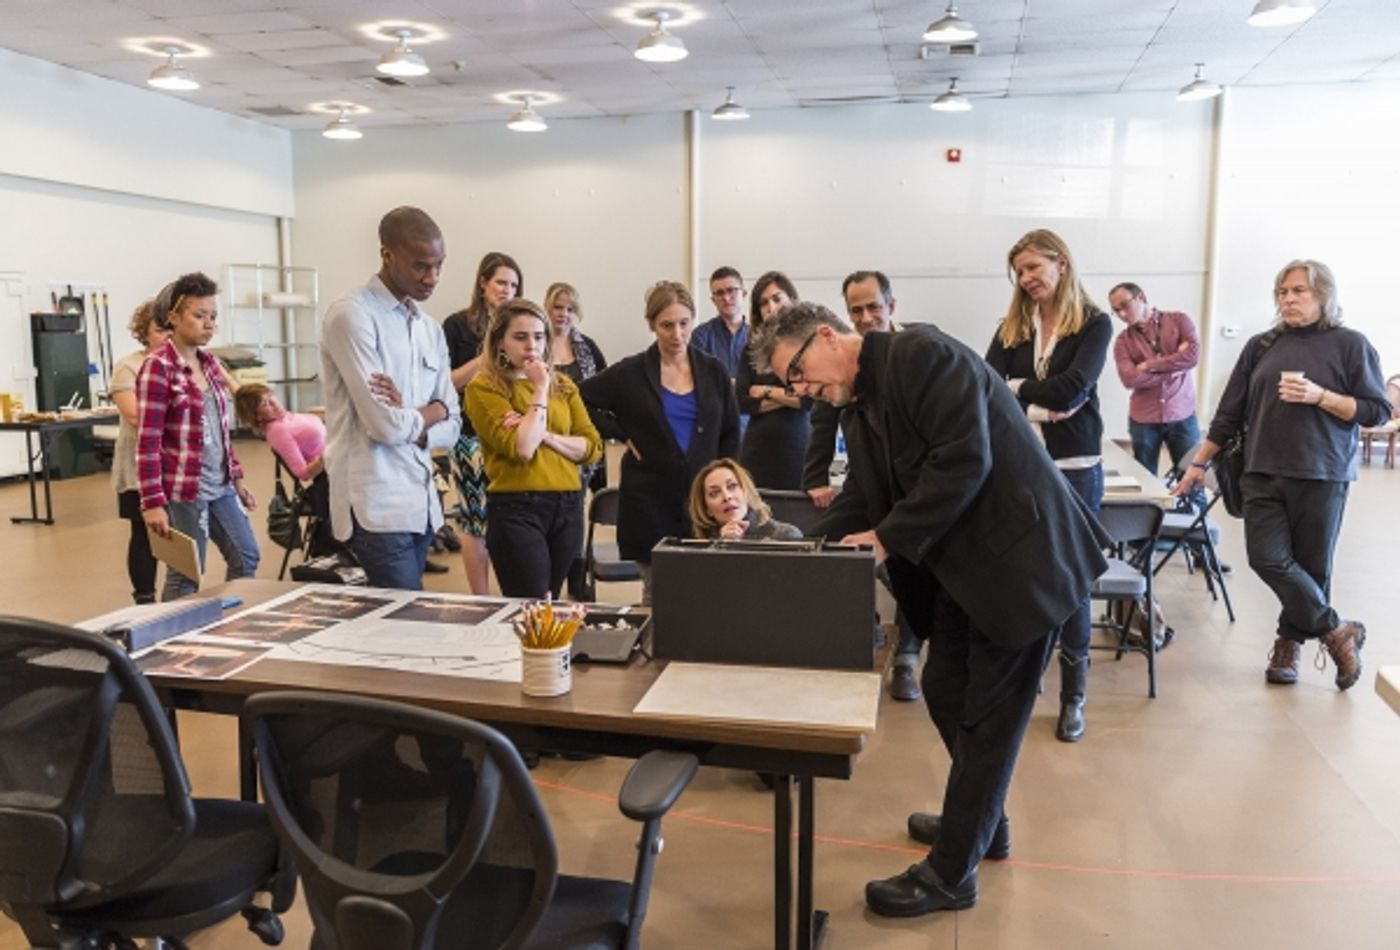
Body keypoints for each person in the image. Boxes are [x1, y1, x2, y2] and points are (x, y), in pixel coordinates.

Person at [752, 302, 1107, 918]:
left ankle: (951, 874)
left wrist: (887, 538)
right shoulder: (859, 406)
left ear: (829, 337)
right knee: (944, 690)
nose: (803, 391)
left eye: (799, 373)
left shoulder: (922, 355)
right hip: (963, 573)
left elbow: (964, 459)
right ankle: (981, 820)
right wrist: (807, 548)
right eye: (792, 385)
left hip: (1022, 566)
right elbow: (866, 491)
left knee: (988, 722)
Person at [1175, 259, 1390, 691]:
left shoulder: (1350, 345)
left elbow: (1377, 411)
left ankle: (1288, 645)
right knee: (1267, 558)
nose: (1288, 299)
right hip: (1261, 470)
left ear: (1324, 296)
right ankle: (1336, 631)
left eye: (1299, 291)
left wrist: (1322, 396)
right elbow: (1229, 413)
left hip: (1322, 472)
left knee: (1312, 567)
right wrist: (1198, 463)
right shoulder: (1261, 345)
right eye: (1282, 292)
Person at [984, 229, 1111, 743]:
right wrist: (1035, 401)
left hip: (1077, 465)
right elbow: (989, 385)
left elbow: (1073, 388)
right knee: (1023, 575)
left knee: (1073, 581)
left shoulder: (1095, 324)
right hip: (1022, 465)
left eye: (1034, 267)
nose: (1027, 278)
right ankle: (1025, 681)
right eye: (1020, 271)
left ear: (1061, 262)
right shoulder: (1012, 326)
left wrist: (1020, 392)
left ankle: (1073, 695)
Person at [319, 206, 461, 590]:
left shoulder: (429, 329)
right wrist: (433, 410)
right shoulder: (352, 316)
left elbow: (455, 424)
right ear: (387, 255)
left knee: (403, 627)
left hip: (421, 502)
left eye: (439, 266)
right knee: (409, 623)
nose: (432, 278)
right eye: (420, 266)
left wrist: (417, 416)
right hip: (375, 503)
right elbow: (383, 425)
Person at [800, 269, 923, 701]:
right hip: (868, 480)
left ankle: (907, 656)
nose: (867, 316)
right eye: (856, 309)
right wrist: (815, 476)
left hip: (916, 490)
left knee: (912, 564)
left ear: (891, 305)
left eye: (874, 306)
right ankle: (861, 634)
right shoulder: (846, 358)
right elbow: (823, 416)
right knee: (837, 547)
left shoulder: (919, 350)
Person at [581, 280, 741, 603]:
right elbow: (579, 397)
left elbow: (730, 433)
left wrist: (728, 486)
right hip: (650, 502)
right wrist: (621, 432)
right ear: (652, 325)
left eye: (684, 324)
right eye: (667, 325)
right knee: (659, 596)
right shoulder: (631, 372)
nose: (677, 334)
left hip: (704, 503)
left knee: (710, 594)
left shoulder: (714, 371)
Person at [464, 299, 603, 598]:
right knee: (532, 605)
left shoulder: (564, 385)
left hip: (568, 505)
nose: (532, 345)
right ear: (500, 341)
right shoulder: (485, 387)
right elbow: (524, 448)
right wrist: (540, 388)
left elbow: (592, 446)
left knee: (550, 605)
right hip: (518, 508)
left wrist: (546, 435)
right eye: (520, 337)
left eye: (539, 337)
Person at [137, 274, 260, 601]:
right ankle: (171, 640)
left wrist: (236, 477)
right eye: (199, 315)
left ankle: (231, 623)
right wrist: (152, 504)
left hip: (219, 485)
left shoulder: (210, 364)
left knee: (246, 556)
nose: (209, 324)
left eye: (213, 316)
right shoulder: (158, 367)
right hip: (182, 489)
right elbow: (148, 443)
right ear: (173, 318)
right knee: (187, 572)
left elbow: (221, 431)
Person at [443, 251, 523, 594]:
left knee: (510, 518)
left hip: (511, 434)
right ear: (483, 283)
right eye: (501, 283)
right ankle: (481, 598)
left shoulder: (520, 328)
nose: (507, 290)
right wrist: (488, 353)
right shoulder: (457, 326)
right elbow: (446, 383)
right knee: (476, 521)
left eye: (514, 285)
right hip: (469, 436)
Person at [1109, 281, 1206, 508]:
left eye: (1125, 305)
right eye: (1116, 311)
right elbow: (1130, 379)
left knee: (1191, 477)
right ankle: (1144, 539)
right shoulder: (1123, 341)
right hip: (1144, 418)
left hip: (1182, 414)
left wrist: (1149, 365)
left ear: (1141, 297)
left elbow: (1192, 356)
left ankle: (1199, 538)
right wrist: (1175, 369)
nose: (1122, 314)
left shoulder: (1179, 321)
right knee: (1144, 481)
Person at [232, 383, 339, 558]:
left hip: (338, 466)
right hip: (329, 477)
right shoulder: (278, 431)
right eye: (265, 404)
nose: (273, 403)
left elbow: (234, 387)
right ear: (257, 416)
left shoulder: (287, 417)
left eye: (270, 397)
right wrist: (326, 456)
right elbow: (302, 473)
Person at [110, 299, 166, 604]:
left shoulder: (183, 362)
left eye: (170, 330)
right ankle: (144, 600)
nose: (165, 337)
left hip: (175, 462)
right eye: (158, 330)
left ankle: (180, 593)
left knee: (179, 532)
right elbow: (134, 415)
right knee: (144, 534)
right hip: (138, 464)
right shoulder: (129, 366)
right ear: (143, 333)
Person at [736, 271, 810, 489]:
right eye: (764, 303)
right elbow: (741, 401)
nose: (771, 307)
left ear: (792, 300)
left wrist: (765, 390)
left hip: (799, 448)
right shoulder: (751, 350)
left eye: (777, 298)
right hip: (757, 451)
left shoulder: (807, 347)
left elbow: (809, 401)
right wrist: (790, 397)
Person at [544, 281, 608, 493]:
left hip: (583, 434)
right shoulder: (535, 344)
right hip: (547, 435)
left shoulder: (588, 347)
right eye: (558, 307)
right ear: (547, 308)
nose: (564, 313)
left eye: (570, 309)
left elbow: (604, 388)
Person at [689, 457, 802, 541]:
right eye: (714, 493)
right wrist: (722, 546)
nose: (727, 497)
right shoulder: (703, 548)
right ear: (707, 509)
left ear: (746, 492)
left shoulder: (784, 535)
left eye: (732, 486)